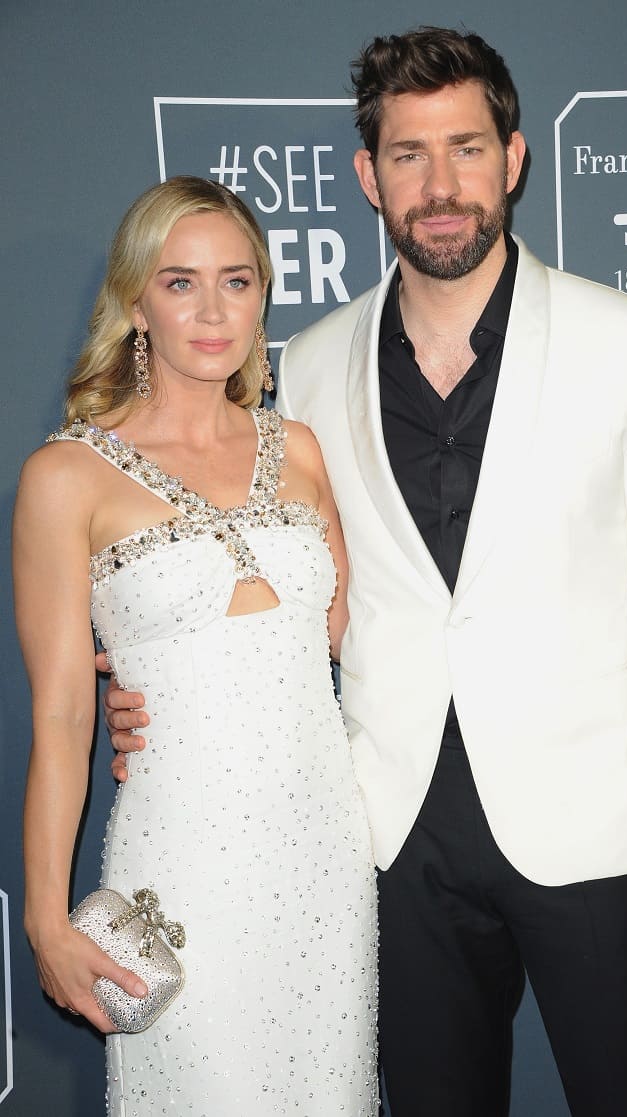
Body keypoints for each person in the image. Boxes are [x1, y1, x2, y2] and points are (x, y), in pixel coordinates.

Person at [104, 29, 627, 1117]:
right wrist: (157, 690)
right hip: (387, 833)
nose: (439, 185)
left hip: (600, 827)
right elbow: (264, 584)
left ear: (514, 157)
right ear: (368, 175)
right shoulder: (303, 369)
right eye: (408, 155)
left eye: (464, 148)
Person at [13, 176, 378, 1116]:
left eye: (237, 280)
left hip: (325, 858)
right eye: (180, 283)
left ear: (263, 295)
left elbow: (360, 642)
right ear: (137, 301)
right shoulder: (65, 474)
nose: (213, 311)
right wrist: (46, 917)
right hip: (181, 866)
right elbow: (60, 712)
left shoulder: (298, 447)